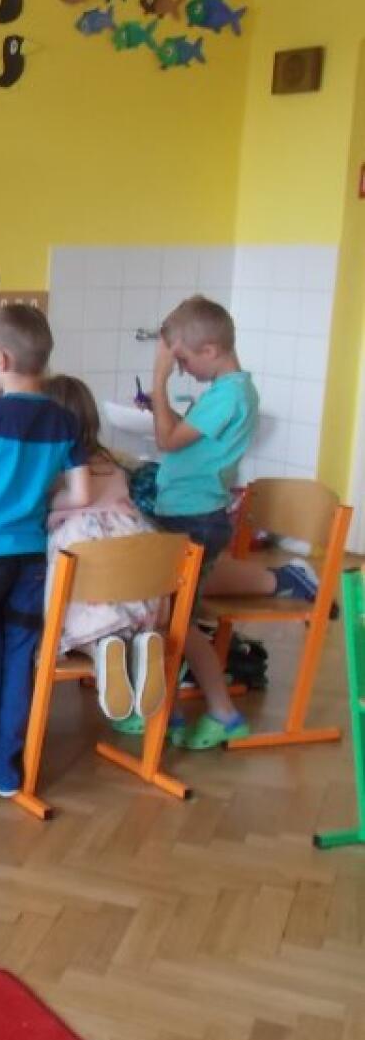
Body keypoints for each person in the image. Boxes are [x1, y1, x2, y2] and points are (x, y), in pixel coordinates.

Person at [147, 296, 314, 749]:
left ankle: (222, 713)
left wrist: (159, 381)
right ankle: (170, 708)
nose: (181, 370)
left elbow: (167, 440)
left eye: (183, 360)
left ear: (211, 350)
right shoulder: (229, 393)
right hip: (189, 513)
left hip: (194, 518)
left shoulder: (230, 395)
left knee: (177, 622)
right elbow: (184, 439)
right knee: (169, 618)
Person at [0, 306, 89, 799]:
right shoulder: (65, 421)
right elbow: (81, 495)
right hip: (29, 558)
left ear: (1, 360)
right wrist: (41, 505)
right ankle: (7, 771)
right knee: (17, 661)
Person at [42, 374, 164, 731]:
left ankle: (99, 649)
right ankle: (136, 643)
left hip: (88, 561)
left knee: (69, 607)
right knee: (117, 605)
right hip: (138, 560)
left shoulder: (56, 469)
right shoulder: (110, 463)